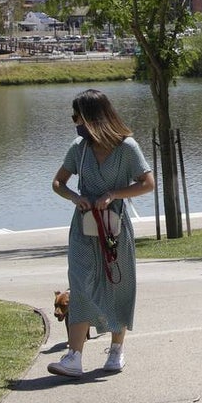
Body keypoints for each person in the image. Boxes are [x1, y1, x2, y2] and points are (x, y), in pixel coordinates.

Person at [48, 88, 156, 378]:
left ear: (94, 117)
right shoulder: (78, 148)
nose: (75, 122)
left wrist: (113, 193)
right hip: (82, 230)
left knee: (117, 286)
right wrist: (74, 196)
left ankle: (116, 350)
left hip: (114, 230)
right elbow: (57, 183)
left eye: (78, 116)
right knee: (81, 285)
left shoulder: (127, 147)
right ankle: (74, 356)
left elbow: (148, 183)